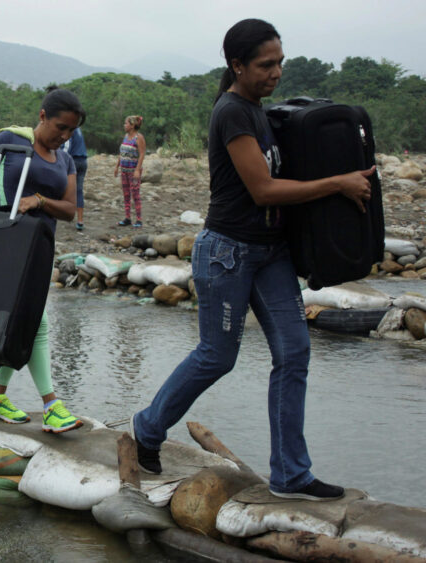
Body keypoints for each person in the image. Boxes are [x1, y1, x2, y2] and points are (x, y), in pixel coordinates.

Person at [130, 18, 374, 501]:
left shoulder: (261, 111)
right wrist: (339, 183)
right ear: (237, 65)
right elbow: (262, 190)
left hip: (271, 252)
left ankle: (290, 474)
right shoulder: (232, 113)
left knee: (295, 352)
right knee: (217, 356)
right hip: (228, 252)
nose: (276, 72)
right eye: (266, 64)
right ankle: (147, 426)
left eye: (280, 62)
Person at [0, 87, 85, 433]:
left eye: (70, 132)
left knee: (23, 321)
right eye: (60, 127)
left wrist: (39, 201)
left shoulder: (66, 160)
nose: (64, 137)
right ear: (43, 115)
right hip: (4, 242)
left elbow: (69, 208)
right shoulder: (9, 140)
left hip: (39, 247)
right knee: (35, 321)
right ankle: (51, 405)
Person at [115, 115, 146, 227]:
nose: (124, 125)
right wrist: (117, 166)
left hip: (133, 171)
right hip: (124, 170)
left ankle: (138, 219)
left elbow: (142, 154)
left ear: (132, 126)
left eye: (126, 123)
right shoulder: (125, 136)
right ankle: (127, 218)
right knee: (126, 194)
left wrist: (137, 170)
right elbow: (122, 153)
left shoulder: (139, 138)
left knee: (135, 195)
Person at [65, 126, 88, 230]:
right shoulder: (78, 128)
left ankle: (64, 212)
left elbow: (67, 146)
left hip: (73, 161)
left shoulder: (69, 128)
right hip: (83, 161)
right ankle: (80, 220)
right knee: (79, 190)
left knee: (64, 187)